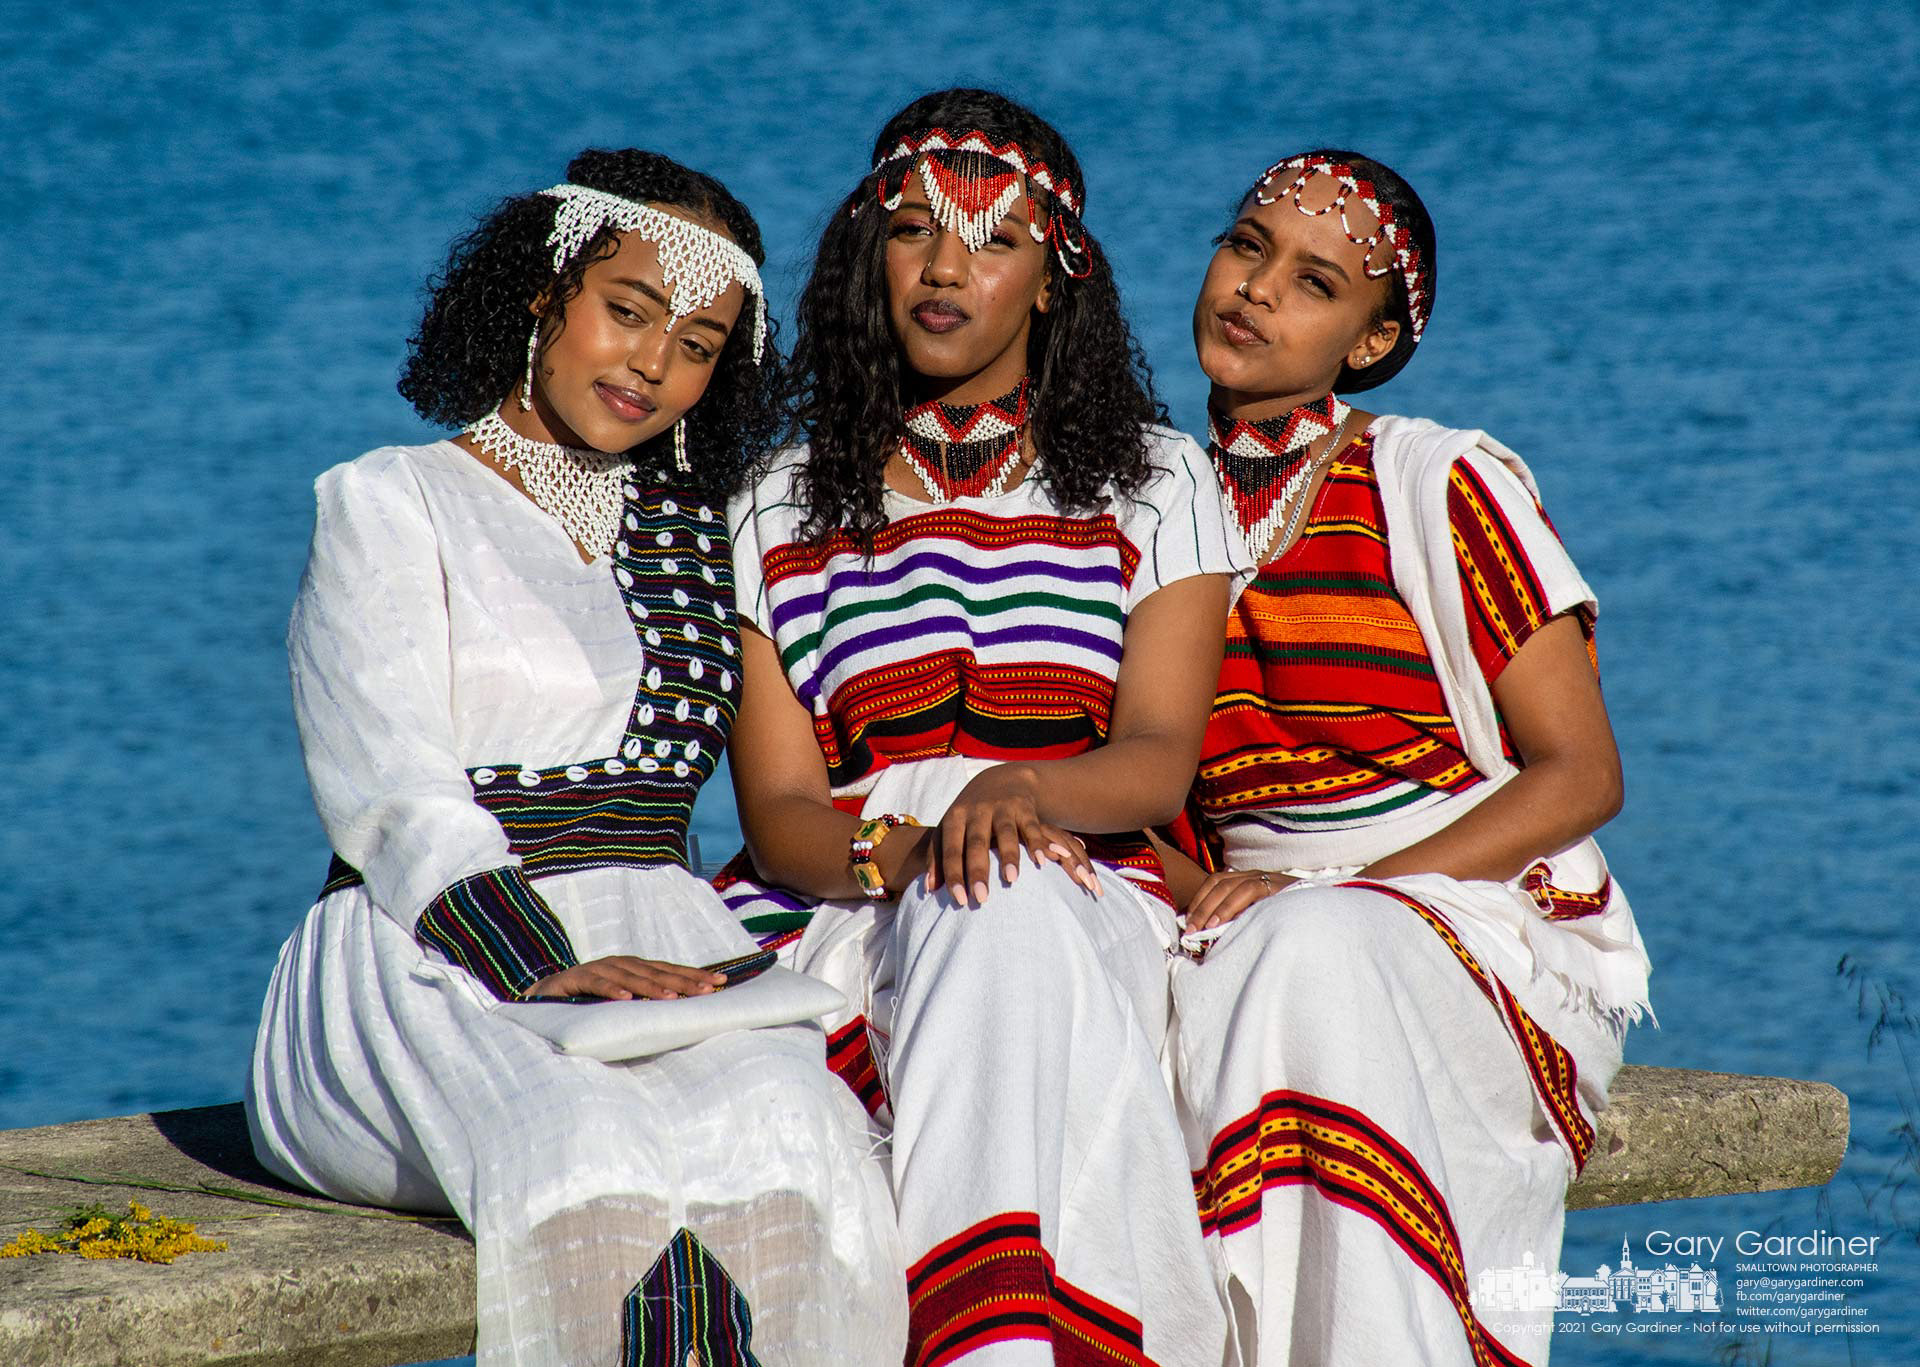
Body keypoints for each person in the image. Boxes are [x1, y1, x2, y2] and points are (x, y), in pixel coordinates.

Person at [245, 148, 905, 1367]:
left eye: (700, 344)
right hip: (426, 949)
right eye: (629, 311)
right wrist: (552, 969)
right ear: (543, 294)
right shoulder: (390, 501)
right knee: (580, 1148)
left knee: (800, 1137)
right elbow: (392, 794)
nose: (655, 364)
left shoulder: (704, 532)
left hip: (664, 933)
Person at [715, 89, 1241, 1367]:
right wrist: (906, 846)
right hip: (844, 897)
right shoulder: (774, 500)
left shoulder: (1158, 479)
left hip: (1074, 869)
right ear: (865, 256)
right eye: (913, 232)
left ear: (1054, 282)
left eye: (995, 240)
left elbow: (1160, 752)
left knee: (1001, 907)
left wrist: (1018, 794)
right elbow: (780, 807)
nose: (947, 268)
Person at [1159, 149, 1652, 1365]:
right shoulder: (1147, 504)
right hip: (1243, 918)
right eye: (1247, 245)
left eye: (1315, 281)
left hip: (1460, 906)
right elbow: (1147, 798)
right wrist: (1206, 896)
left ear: (1369, 343)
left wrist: (1357, 895)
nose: (1258, 287)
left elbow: (1581, 773)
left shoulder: (1439, 481)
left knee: (1319, 947)